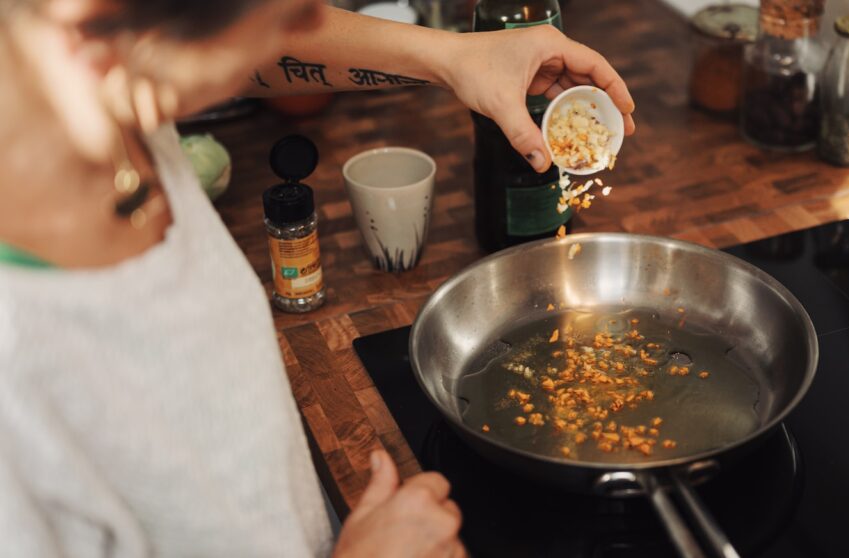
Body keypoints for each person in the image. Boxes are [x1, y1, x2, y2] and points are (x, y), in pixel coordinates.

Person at [0, 0, 635, 556]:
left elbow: (268, 46)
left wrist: (455, 56)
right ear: (91, 30)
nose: (308, 23)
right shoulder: (20, 376)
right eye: (284, 8)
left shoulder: (105, 99)